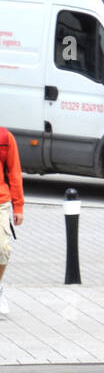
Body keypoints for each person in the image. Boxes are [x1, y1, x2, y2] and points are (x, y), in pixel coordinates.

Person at [0, 126, 24, 317]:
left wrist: (18, 206)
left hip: (1, 202)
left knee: (2, 249)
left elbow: (15, 171)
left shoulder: (5, 138)